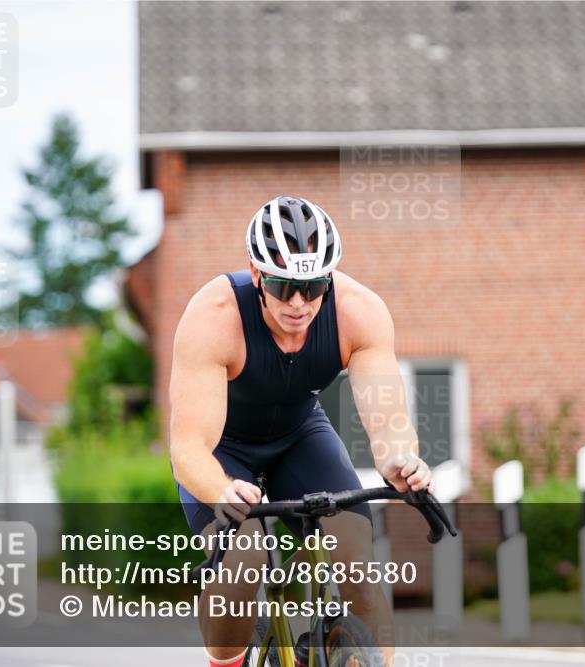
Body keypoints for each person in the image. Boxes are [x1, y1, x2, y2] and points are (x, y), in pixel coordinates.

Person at [170, 196, 433, 667]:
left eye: (312, 288)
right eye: (283, 286)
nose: (298, 303)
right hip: (222, 454)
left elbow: (389, 422)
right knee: (244, 559)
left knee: (358, 563)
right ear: (256, 275)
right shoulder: (214, 316)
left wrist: (401, 459)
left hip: (298, 436)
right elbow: (189, 446)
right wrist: (221, 492)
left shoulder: (359, 311)